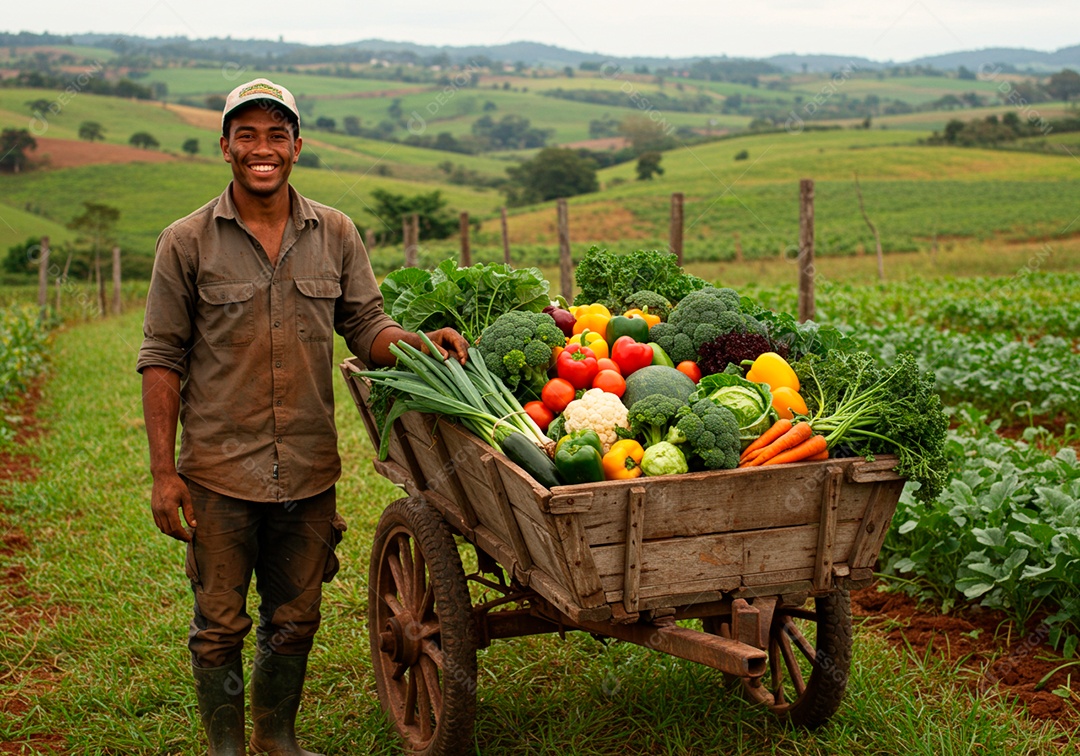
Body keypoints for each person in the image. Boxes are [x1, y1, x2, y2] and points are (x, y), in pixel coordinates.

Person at [137, 78, 468, 756]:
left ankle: (276, 740)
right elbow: (161, 358)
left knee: (295, 619)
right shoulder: (186, 242)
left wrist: (418, 344)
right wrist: (164, 475)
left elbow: (366, 324)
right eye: (248, 135)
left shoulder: (335, 232)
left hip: (309, 468)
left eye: (277, 135)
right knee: (220, 625)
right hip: (219, 472)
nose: (264, 149)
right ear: (225, 145)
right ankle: (229, 749)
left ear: (296, 146)